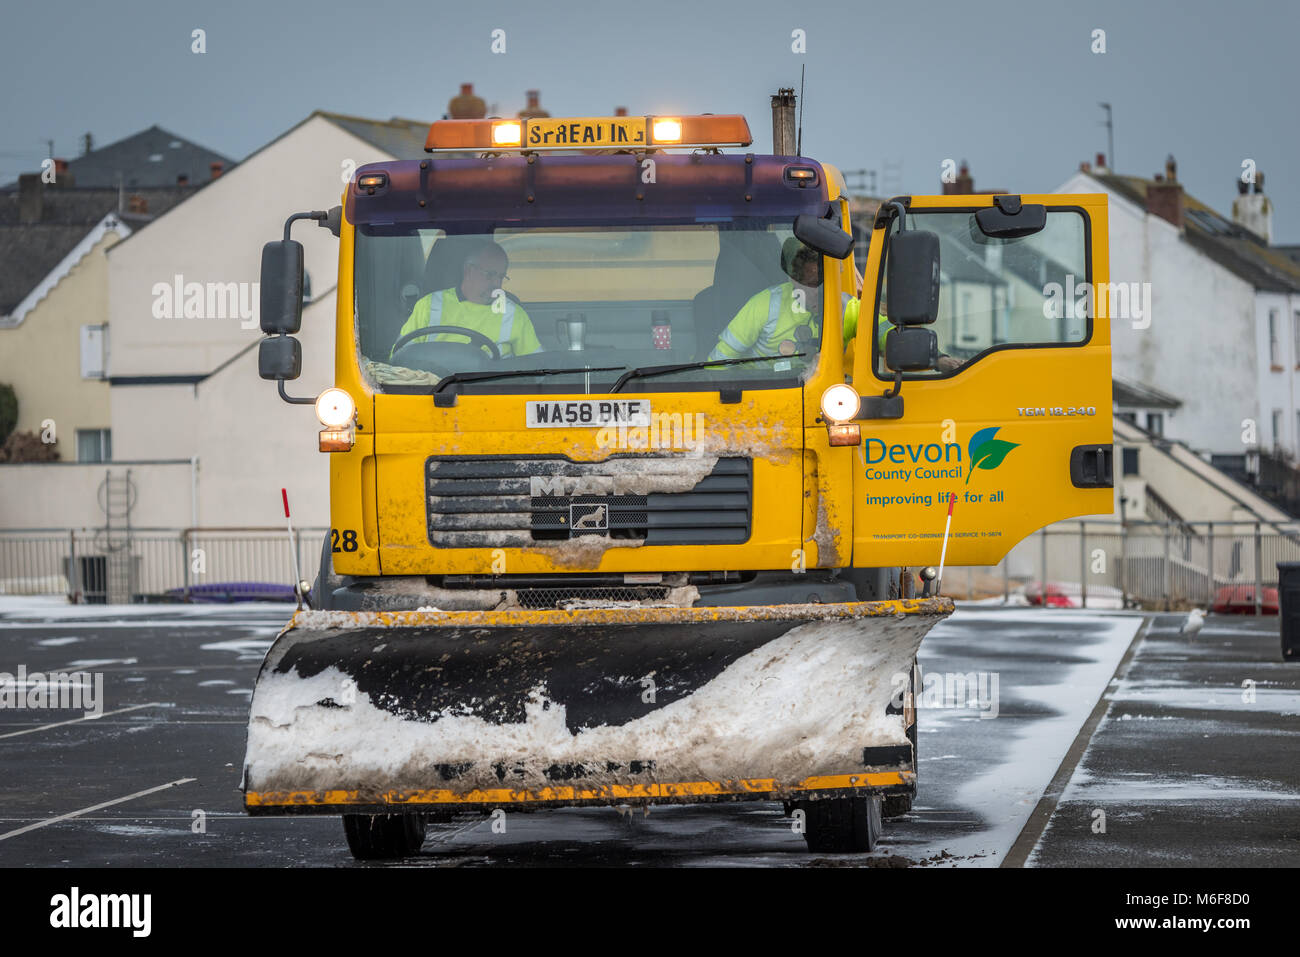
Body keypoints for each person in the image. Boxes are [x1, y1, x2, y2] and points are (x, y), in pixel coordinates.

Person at [709, 238, 858, 361]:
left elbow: (880, 329)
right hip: (762, 392)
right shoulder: (765, 305)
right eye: (812, 282)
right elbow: (720, 360)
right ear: (793, 280)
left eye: (826, 282)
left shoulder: (847, 308)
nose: (819, 292)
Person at [394, 240, 541, 359]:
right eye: (490, 274)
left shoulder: (513, 313)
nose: (497, 283)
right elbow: (400, 357)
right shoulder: (428, 305)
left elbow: (536, 366)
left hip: (494, 392)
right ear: (468, 270)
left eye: (501, 277)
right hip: (434, 391)